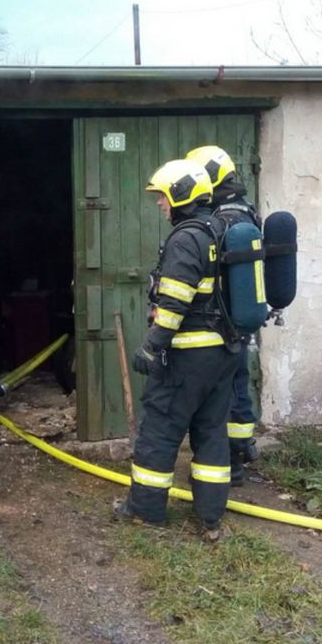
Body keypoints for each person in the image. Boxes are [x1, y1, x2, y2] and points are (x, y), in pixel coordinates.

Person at [113, 158, 241, 541]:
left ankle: (145, 510)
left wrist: (151, 347)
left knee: (160, 430)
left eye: (163, 196)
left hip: (187, 355)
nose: (159, 203)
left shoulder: (186, 239)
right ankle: (210, 517)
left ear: (181, 195)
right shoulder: (220, 230)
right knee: (212, 432)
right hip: (221, 354)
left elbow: (174, 302)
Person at [185, 144, 262, 486]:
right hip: (237, 320)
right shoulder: (244, 211)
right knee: (237, 385)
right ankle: (240, 451)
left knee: (225, 393)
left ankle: (230, 464)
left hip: (223, 323)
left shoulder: (224, 219)